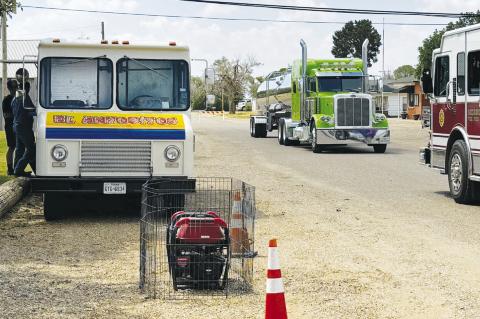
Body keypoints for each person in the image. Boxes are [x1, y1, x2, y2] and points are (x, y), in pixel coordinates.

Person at [12, 72, 36, 177]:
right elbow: (31, 110)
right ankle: (18, 169)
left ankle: (16, 170)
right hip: (24, 126)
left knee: (20, 149)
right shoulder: (24, 97)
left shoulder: (15, 97)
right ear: (26, 88)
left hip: (17, 125)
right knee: (31, 149)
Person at [2, 79, 18, 175]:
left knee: (18, 147)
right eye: (14, 87)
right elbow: (7, 115)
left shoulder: (18, 98)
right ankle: (10, 169)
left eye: (16, 86)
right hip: (10, 126)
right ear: (9, 88)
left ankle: (16, 167)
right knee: (12, 147)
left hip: (17, 125)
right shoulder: (7, 100)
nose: (16, 88)